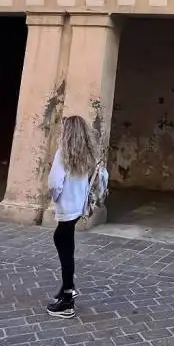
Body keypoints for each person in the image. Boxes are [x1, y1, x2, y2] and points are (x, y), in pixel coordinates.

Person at [45, 114, 105, 319]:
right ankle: (65, 289)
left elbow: (54, 183)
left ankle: (68, 299)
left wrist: (55, 197)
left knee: (63, 243)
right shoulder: (88, 154)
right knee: (65, 242)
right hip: (78, 208)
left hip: (66, 207)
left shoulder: (63, 154)